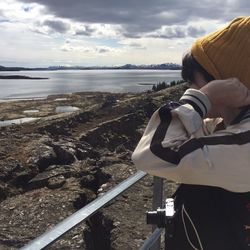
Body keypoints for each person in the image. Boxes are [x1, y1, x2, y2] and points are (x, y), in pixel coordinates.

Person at [132, 16, 250, 249]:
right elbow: (192, 134)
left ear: (229, 82)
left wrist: (200, 100)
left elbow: (150, 154)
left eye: (194, 82)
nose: (191, 89)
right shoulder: (229, 126)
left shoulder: (243, 143)